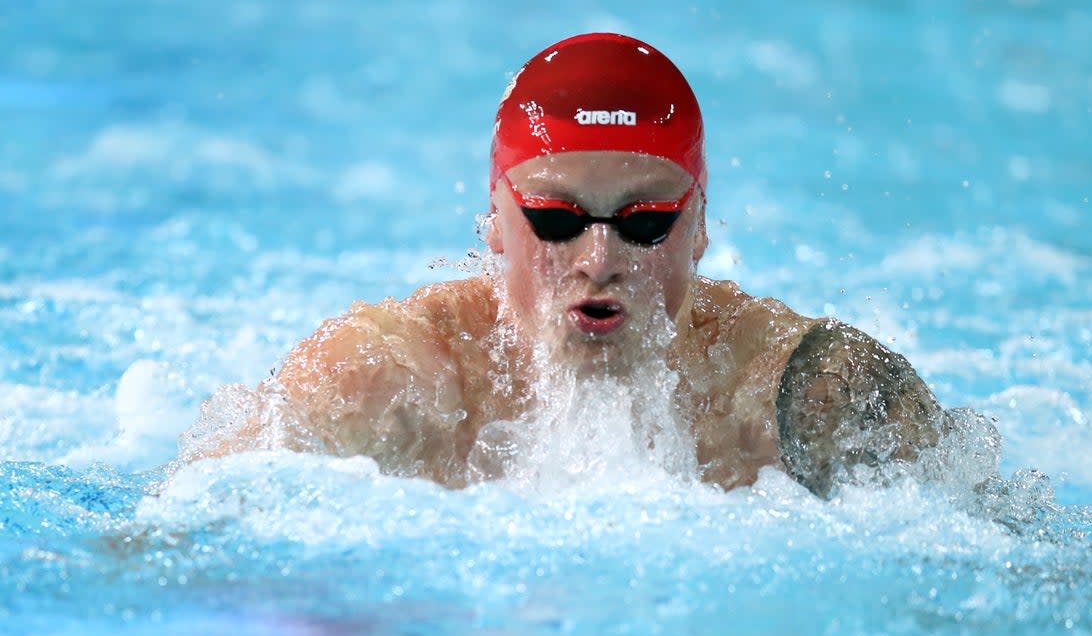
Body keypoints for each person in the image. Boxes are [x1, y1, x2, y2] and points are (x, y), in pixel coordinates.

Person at [178, 32, 948, 498]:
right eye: (556, 220)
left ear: (703, 225)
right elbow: (177, 557)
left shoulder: (806, 395)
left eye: (647, 224)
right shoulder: (385, 381)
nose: (599, 259)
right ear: (496, 225)